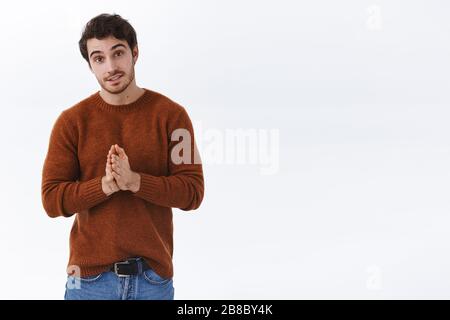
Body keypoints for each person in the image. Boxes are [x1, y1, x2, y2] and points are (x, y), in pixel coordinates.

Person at [41, 13, 204, 300]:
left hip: (153, 280)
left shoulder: (173, 116)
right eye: (99, 58)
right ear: (90, 65)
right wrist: (105, 186)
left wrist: (135, 181)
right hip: (87, 281)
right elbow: (52, 200)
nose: (111, 67)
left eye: (118, 53)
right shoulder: (71, 122)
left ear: (135, 52)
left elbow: (193, 192)